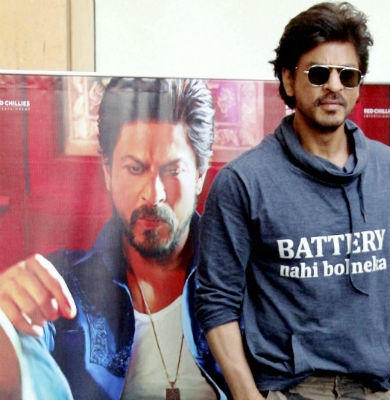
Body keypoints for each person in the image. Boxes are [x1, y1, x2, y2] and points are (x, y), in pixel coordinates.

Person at [195, 2, 390, 399]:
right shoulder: (243, 181)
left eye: (347, 75)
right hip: (291, 388)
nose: (334, 85)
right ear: (288, 79)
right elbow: (217, 302)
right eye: (319, 73)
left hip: (378, 389)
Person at [0, 77, 229, 399]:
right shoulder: (61, 281)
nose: (153, 196)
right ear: (108, 173)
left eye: (173, 171)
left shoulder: (240, 279)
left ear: (200, 176)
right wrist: (5, 321)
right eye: (135, 169)